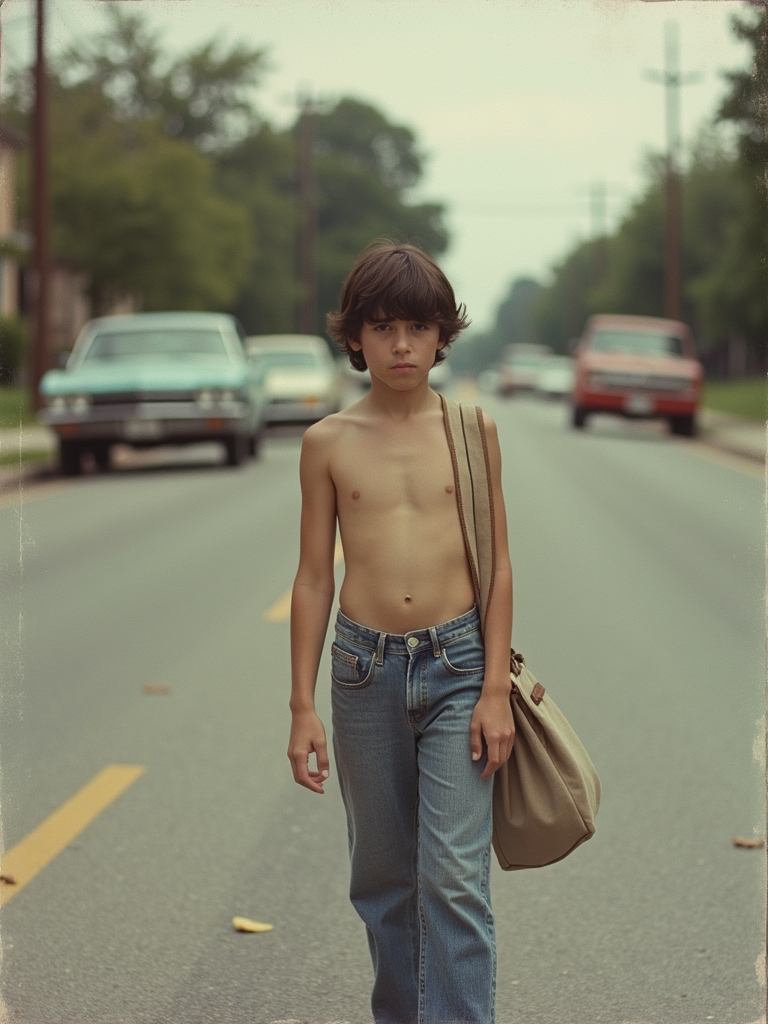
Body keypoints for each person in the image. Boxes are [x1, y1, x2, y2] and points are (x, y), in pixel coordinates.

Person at [287, 242, 515, 1024]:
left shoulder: (473, 430)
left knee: (453, 875)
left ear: (443, 335)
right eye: (382, 328)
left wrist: (494, 691)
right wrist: (300, 705)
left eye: (418, 327)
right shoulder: (328, 442)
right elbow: (314, 576)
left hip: (458, 666)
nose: (402, 346)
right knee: (383, 877)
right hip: (363, 671)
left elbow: (500, 567)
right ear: (355, 337)